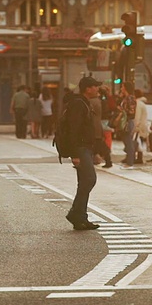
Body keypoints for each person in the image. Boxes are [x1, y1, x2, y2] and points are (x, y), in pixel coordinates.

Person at [65, 76, 102, 230]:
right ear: (88, 88)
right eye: (95, 86)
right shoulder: (78, 104)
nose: (98, 89)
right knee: (90, 179)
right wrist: (75, 154)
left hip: (85, 147)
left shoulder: (84, 103)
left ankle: (80, 217)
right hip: (80, 148)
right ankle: (75, 213)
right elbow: (73, 129)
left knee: (84, 182)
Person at [89, 85, 112, 168]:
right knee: (97, 144)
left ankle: (107, 160)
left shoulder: (95, 101)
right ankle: (101, 159)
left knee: (99, 144)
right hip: (98, 126)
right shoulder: (101, 100)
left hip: (95, 127)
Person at [118, 81, 137, 169]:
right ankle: (129, 160)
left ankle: (130, 162)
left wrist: (123, 110)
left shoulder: (130, 98)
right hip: (125, 121)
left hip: (128, 122)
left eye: (122, 87)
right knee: (126, 141)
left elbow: (131, 111)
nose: (121, 88)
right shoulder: (126, 98)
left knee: (128, 142)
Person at [133, 89, 149, 164]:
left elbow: (137, 116)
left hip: (139, 126)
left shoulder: (138, 104)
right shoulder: (142, 103)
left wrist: (135, 126)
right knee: (139, 142)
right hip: (143, 125)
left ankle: (138, 157)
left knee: (137, 142)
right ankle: (139, 157)